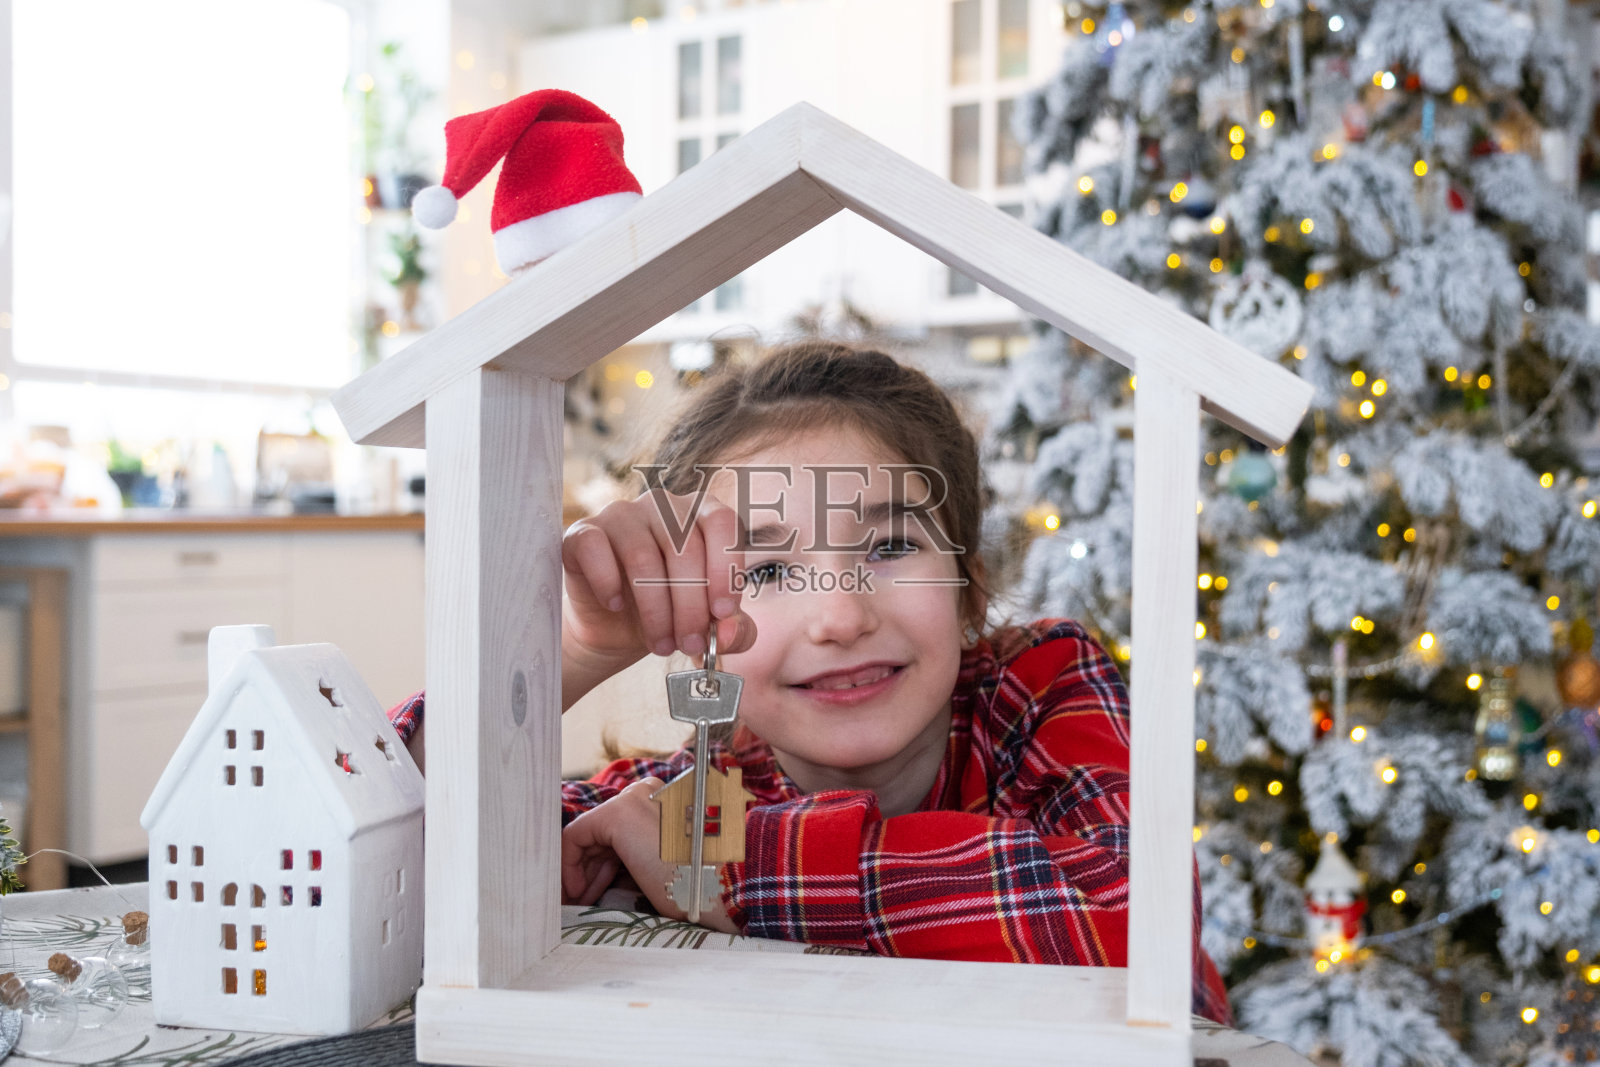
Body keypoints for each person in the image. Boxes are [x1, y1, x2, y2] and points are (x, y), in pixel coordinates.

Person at [386, 340, 1232, 1023]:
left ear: (969, 584)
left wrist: (721, 861)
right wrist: (566, 652)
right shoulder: (692, 791)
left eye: (891, 547)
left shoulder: (1046, 681)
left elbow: (1133, 918)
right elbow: (394, 856)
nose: (838, 617)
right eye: (765, 570)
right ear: (693, 632)